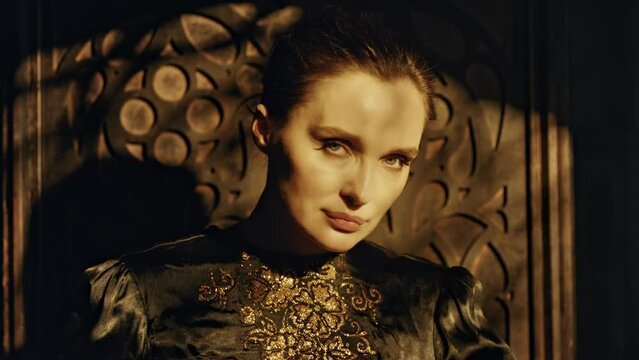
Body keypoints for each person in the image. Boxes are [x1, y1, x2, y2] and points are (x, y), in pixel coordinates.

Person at [71, 9, 515, 360]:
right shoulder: (144, 301)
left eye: (395, 159)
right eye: (336, 145)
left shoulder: (433, 309)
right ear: (266, 130)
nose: (362, 191)